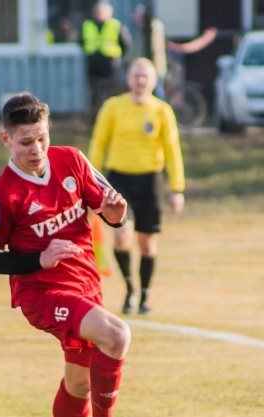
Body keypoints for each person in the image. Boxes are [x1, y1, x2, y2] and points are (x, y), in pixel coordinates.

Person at [0, 92, 130, 417]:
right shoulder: (1, 194)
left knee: (79, 382)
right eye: (26, 141)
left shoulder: (73, 161)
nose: (36, 149)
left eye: (41, 138)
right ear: (5, 140)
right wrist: (40, 259)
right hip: (42, 293)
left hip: (86, 285)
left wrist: (116, 211)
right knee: (116, 335)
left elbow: (113, 213)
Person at [87, 58, 185, 315]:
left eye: (146, 76)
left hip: (150, 181)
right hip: (118, 181)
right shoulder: (113, 107)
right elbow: (99, 144)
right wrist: (88, 185)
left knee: (147, 243)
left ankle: (145, 295)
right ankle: (130, 288)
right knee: (121, 236)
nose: (140, 81)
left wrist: (177, 188)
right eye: (136, 75)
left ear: (154, 81)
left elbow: (173, 150)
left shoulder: (162, 111)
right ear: (128, 79)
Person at [80, 2, 132, 123]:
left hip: (110, 68)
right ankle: (93, 123)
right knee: (94, 98)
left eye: (101, 11)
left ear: (109, 13)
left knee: (112, 97)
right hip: (93, 68)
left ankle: (114, 121)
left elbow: (126, 45)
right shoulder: (87, 25)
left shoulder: (116, 26)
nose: (99, 14)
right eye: (97, 11)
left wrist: (118, 60)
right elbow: (82, 42)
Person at [129, 3, 168, 98]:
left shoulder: (154, 26)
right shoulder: (138, 31)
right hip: (141, 68)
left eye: (137, 15)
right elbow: (135, 50)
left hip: (156, 67)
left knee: (158, 92)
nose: (135, 18)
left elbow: (156, 47)